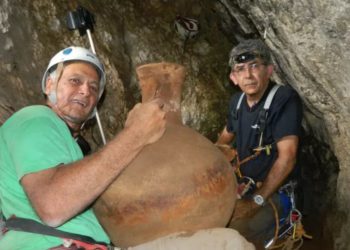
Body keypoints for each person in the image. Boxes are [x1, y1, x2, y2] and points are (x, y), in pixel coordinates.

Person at [0, 46, 166, 249]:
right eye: (75, 81)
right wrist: (136, 134)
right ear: (50, 84)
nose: (86, 91)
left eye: (94, 88)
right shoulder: (35, 118)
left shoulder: (72, 152)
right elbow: (53, 206)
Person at [216, 39, 303, 248]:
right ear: (233, 78)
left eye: (255, 66)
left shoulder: (284, 100)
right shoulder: (236, 103)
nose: (248, 75)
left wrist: (255, 202)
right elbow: (222, 141)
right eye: (240, 69)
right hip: (245, 184)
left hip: (274, 193)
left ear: (269, 71)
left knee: (230, 235)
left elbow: (287, 158)